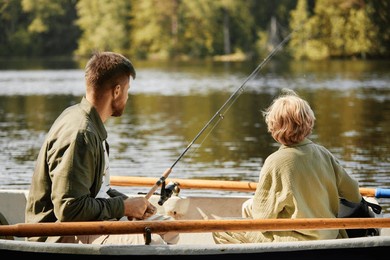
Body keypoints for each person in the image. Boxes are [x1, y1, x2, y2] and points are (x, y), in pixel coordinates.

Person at [25, 51, 179, 245]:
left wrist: (132, 203)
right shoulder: (81, 134)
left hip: (87, 223)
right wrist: (123, 208)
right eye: (127, 90)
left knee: (171, 230)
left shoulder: (87, 121)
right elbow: (69, 209)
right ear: (116, 91)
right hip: (57, 234)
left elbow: (98, 191)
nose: (127, 96)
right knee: (154, 243)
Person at [213, 88, 363, 243]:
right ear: (309, 122)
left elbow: (261, 218)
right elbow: (354, 195)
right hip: (329, 236)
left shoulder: (274, 162)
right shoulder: (324, 154)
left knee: (221, 230)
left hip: (295, 241)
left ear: (273, 127)